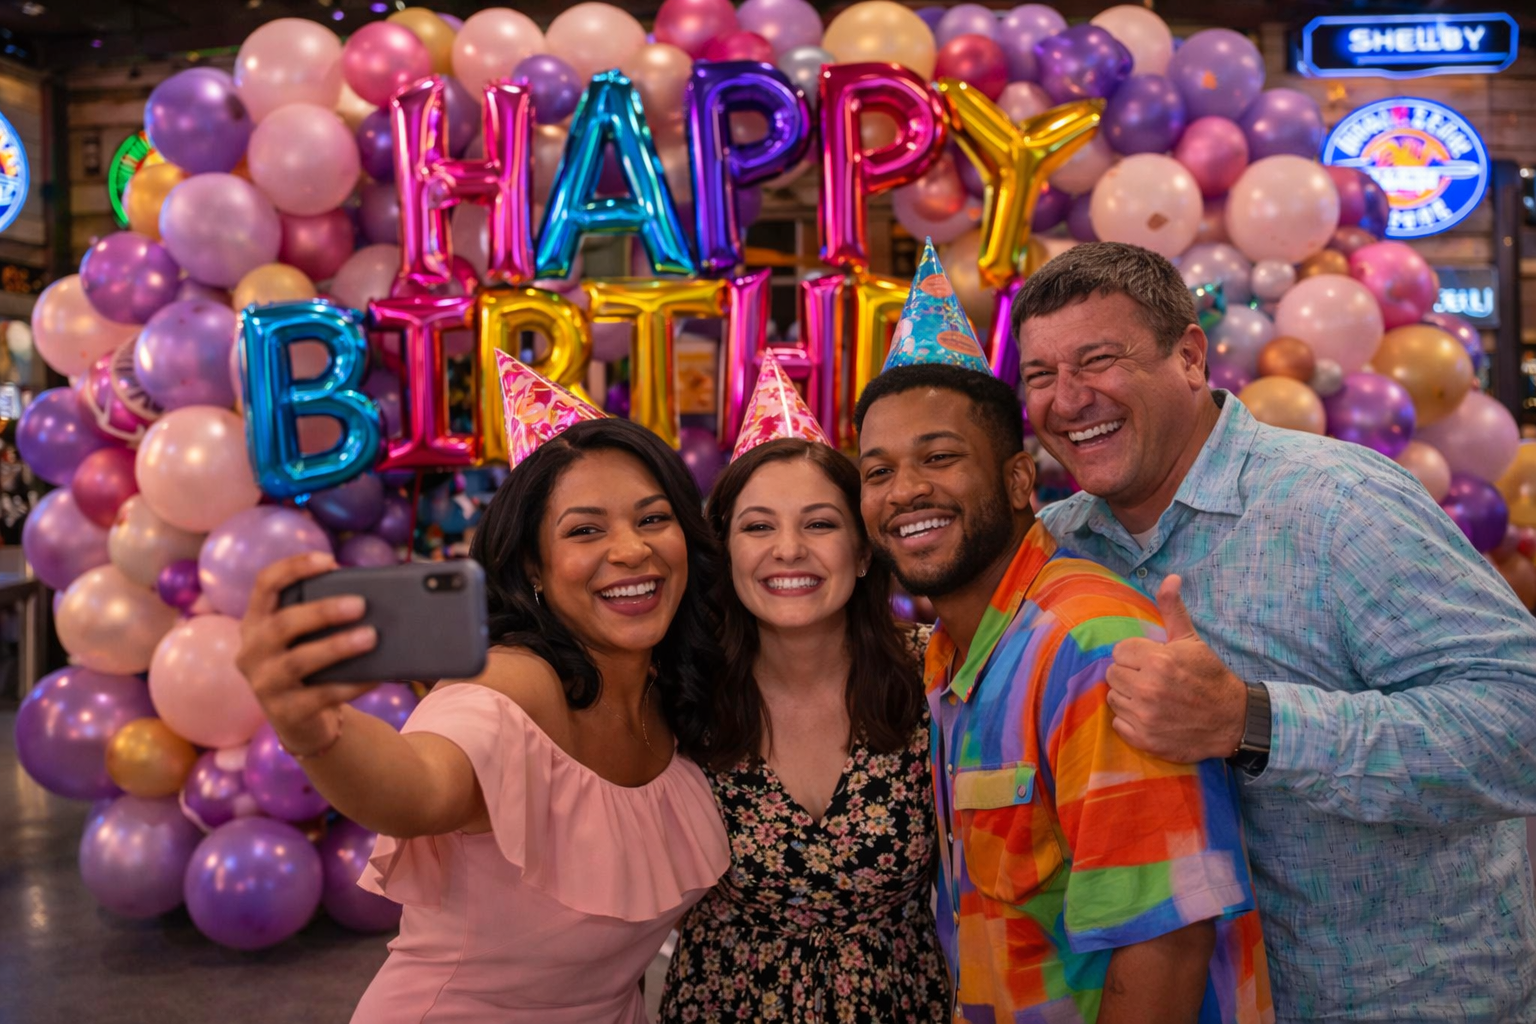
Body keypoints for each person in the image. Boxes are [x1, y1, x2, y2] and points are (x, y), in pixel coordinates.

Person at [1014, 241, 1536, 1022]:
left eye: (1097, 360)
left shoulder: (1339, 503)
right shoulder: (1058, 548)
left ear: (1191, 357)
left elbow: (1519, 723)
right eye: (1040, 376)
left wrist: (1251, 722)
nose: (1068, 399)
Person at [852, 240, 1270, 1024]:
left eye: (939, 457)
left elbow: (1166, 941)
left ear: (1018, 481)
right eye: (877, 472)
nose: (905, 491)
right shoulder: (952, 652)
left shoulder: (1088, 646)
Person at [236, 385, 730, 1023]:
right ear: (533, 566)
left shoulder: (677, 690)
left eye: (653, 518)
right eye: (585, 530)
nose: (632, 549)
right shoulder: (513, 683)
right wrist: (314, 727)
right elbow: (419, 788)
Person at [660, 352, 949, 1022]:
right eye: (758, 526)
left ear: (864, 547)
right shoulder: (678, 690)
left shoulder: (935, 675)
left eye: (819, 523)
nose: (788, 550)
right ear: (724, 547)